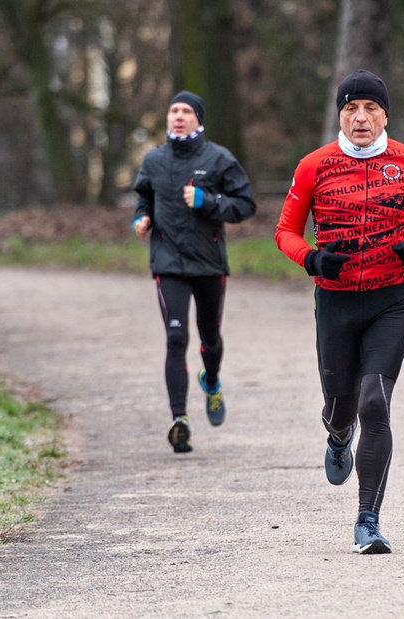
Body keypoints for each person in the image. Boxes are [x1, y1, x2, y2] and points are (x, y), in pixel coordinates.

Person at [275, 69, 404, 554]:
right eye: (351, 108)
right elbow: (285, 231)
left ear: (384, 116)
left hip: (388, 301)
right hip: (335, 303)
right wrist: (311, 259)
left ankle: (367, 522)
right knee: (341, 409)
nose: (360, 117)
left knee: (375, 402)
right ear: (340, 115)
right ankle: (338, 434)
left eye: (370, 108)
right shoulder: (314, 166)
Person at [133, 90, 257, 454]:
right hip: (168, 262)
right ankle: (180, 421)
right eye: (173, 110)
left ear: (198, 119)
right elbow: (144, 197)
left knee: (210, 338)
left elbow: (245, 204)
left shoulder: (218, 158)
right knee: (176, 339)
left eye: (186, 111)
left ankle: (212, 381)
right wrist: (141, 218)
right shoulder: (153, 160)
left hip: (208, 263)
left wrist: (208, 201)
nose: (178, 116)